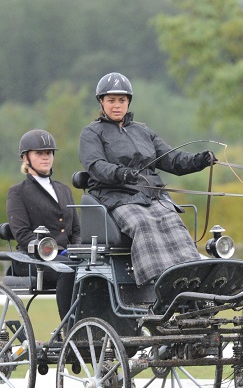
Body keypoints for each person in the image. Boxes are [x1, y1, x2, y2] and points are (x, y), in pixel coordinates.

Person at [78, 72, 217, 285]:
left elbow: (171, 159)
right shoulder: (92, 133)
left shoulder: (143, 131)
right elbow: (96, 165)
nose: (117, 105)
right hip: (117, 197)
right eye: (111, 100)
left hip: (152, 197)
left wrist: (199, 160)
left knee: (173, 222)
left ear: (128, 102)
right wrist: (121, 173)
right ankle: (158, 282)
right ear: (101, 102)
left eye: (122, 100)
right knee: (143, 224)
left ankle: (191, 277)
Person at [7, 129, 81, 319]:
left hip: (67, 257)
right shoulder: (18, 192)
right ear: (26, 158)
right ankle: (70, 326)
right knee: (69, 269)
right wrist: (52, 250)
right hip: (33, 259)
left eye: (49, 153)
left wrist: (78, 251)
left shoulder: (64, 190)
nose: (46, 157)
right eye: (39, 153)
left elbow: (76, 230)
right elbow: (22, 234)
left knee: (96, 268)